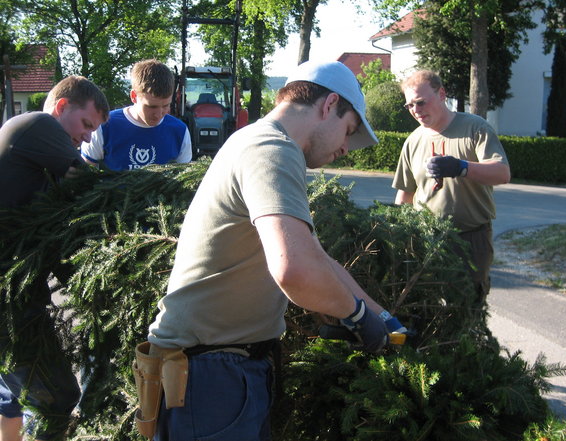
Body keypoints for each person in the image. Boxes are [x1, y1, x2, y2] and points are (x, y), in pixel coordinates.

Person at [141, 60, 406, 441]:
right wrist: (357, 314)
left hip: (218, 368)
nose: (346, 147)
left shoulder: (261, 142)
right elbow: (294, 271)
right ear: (329, 104)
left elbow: (316, 258)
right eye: (348, 131)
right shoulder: (271, 148)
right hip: (211, 376)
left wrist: (381, 316)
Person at [0, 75, 109, 440]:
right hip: (7, 306)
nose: (88, 137)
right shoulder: (36, 124)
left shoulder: (41, 169)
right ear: (62, 108)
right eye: (86, 124)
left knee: (31, 397)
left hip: (17, 301)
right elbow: (89, 181)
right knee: (56, 399)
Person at [392, 70, 510, 307]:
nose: (416, 110)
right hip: (426, 239)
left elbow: (502, 172)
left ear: (442, 94)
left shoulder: (475, 128)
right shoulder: (413, 141)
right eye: (410, 106)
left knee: (468, 306)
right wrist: (396, 234)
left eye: (421, 102)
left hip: (471, 238)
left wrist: (461, 167)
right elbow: (405, 195)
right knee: (427, 306)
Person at [80, 59, 192, 171]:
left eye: (166, 105)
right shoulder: (104, 125)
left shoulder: (179, 131)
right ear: (134, 96)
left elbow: (185, 179)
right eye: (151, 106)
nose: (158, 114)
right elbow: (86, 173)